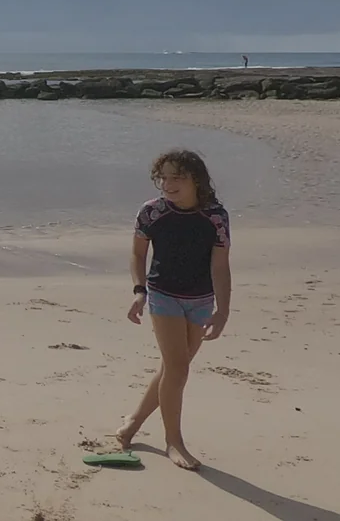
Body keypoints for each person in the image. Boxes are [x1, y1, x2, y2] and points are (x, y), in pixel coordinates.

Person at [113, 150, 231, 470]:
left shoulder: (216, 216)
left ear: (196, 180)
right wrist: (139, 292)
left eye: (177, 177)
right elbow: (137, 255)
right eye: (163, 177)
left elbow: (220, 266)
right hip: (163, 296)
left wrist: (222, 311)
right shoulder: (152, 212)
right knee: (178, 370)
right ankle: (173, 442)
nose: (168, 184)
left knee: (172, 369)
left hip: (201, 300)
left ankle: (132, 423)